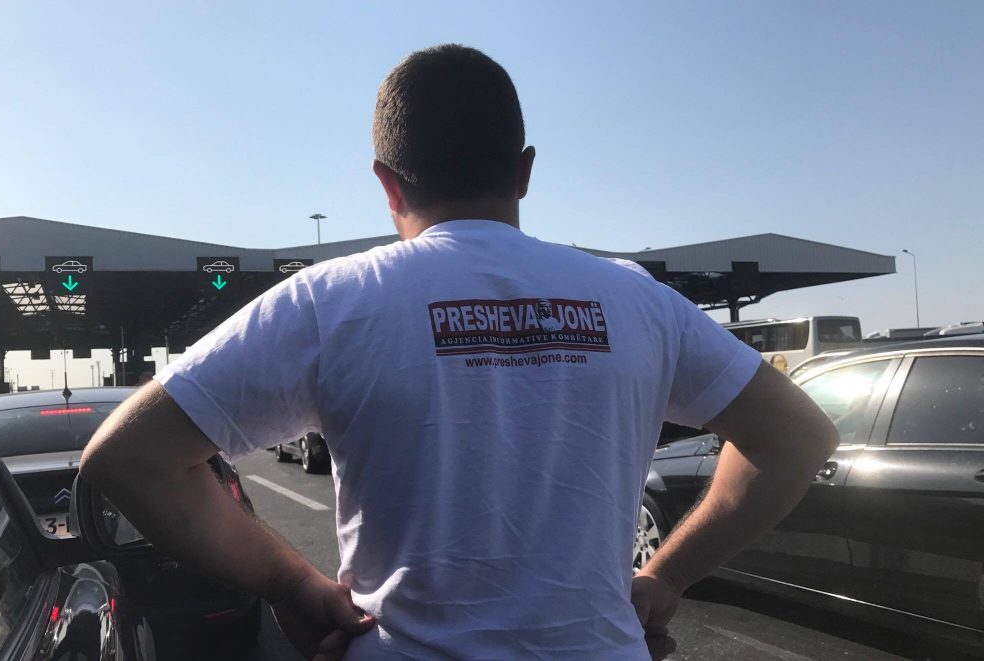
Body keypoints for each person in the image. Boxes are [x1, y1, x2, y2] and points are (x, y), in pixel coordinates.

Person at [80, 44, 839, 660]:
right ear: (524, 170)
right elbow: (798, 436)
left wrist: (289, 583)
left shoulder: (333, 301)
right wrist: (666, 575)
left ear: (387, 184)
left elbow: (128, 456)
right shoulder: (636, 299)